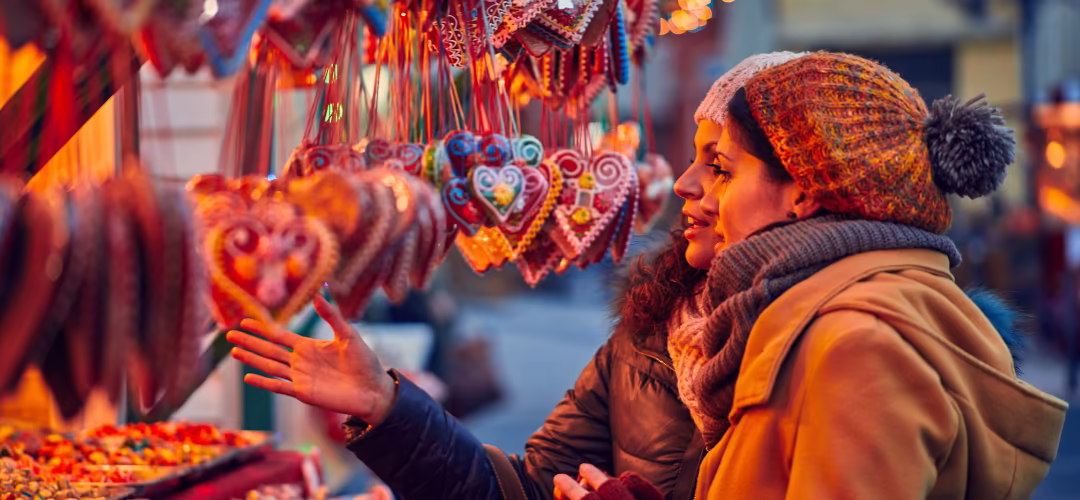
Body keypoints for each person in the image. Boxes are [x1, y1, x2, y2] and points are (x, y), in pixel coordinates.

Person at [225, 52, 808, 500]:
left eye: (720, 167)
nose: (685, 185)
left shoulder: (842, 341)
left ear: (805, 192)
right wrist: (386, 406)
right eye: (693, 160)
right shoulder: (653, 331)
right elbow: (523, 490)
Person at [554, 51, 1069, 500]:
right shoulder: (797, 320)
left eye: (724, 170)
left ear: (802, 192)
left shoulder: (857, 346)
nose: (696, 189)